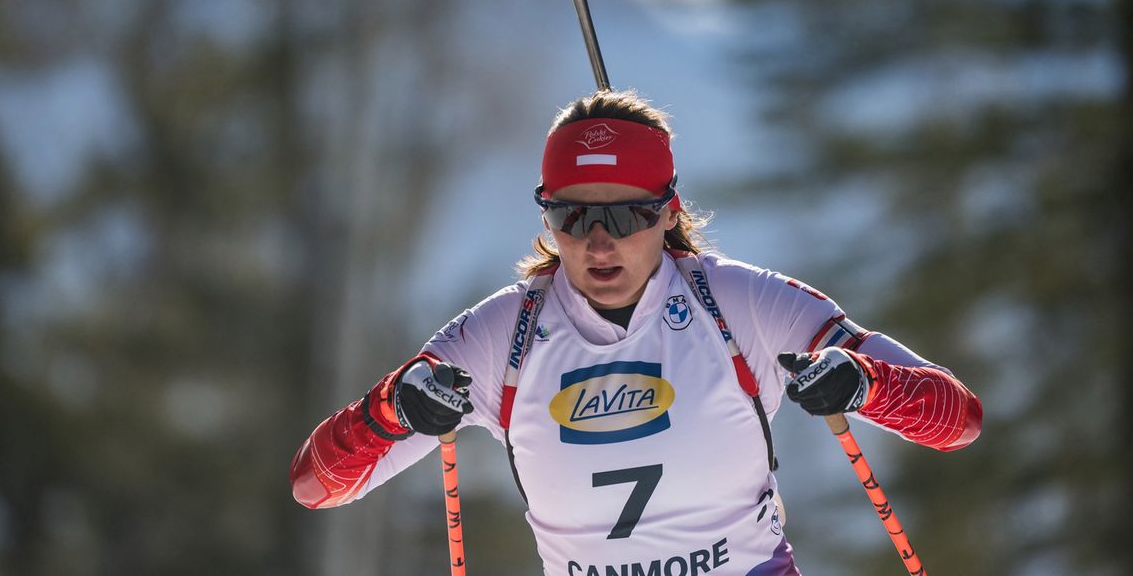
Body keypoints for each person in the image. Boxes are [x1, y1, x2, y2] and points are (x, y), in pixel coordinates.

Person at [289, 90, 982, 575]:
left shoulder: (741, 302)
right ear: (546, 215)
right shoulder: (504, 333)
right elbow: (315, 484)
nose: (597, 243)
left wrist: (866, 384)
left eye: (624, 216)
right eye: (571, 216)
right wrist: (390, 409)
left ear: (667, 210)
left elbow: (958, 420)